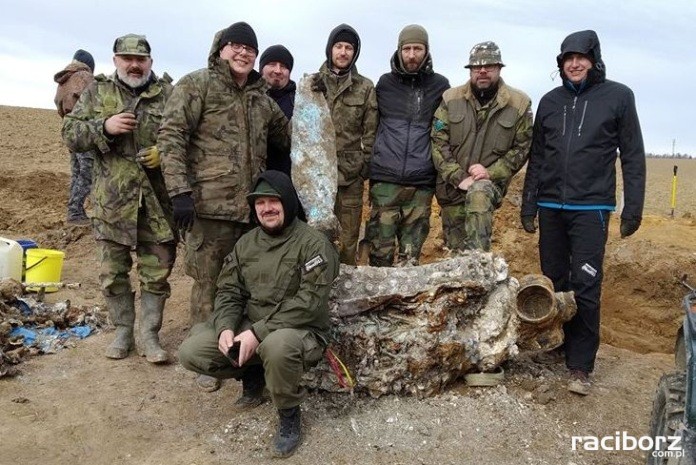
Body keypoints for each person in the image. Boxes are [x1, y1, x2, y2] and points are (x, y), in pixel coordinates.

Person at [158, 22, 290, 391]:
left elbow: (289, 137)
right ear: (221, 49)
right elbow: (171, 136)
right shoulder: (196, 84)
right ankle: (209, 360)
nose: (244, 53)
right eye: (237, 46)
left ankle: (245, 353)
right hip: (209, 209)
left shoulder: (261, 99)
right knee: (209, 285)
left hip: (253, 212)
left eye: (250, 49)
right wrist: (180, 192)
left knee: (250, 286)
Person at [178, 170, 339, 458]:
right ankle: (253, 375)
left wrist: (256, 333)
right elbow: (228, 290)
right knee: (193, 349)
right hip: (254, 326)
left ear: (288, 203)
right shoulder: (247, 243)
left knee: (278, 346)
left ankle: (289, 413)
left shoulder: (314, 243)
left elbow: (309, 303)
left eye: (273, 201)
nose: (267, 209)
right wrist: (226, 327)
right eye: (260, 203)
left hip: (300, 330)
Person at [520, 30, 646, 396]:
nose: (574, 64)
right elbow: (538, 157)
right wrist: (529, 204)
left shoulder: (618, 97)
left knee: (586, 285)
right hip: (550, 208)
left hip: (592, 208)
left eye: (581, 57)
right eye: (567, 58)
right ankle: (556, 347)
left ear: (594, 60)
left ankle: (580, 366)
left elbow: (633, 156)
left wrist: (632, 208)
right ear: (560, 64)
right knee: (554, 281)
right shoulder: (550, 101)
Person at [62, 34, 176, 364]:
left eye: (141, 59)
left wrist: (164, 153)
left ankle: (149, 334)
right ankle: (124, 330)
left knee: (157, 273)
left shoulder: (167, 94)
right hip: (111, 202)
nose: (134, 64)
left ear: (150, 62)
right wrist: (104, 127)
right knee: (113, 273)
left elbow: (187, 138)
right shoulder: (98, 91)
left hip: (155, 203)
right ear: (115, 60)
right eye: (127, 58)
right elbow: (70, 133)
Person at [431, 41, 533, 252]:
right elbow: (438, 142)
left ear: (499, 68)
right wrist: (458, 177)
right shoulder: (450, 99)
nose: (483, 71)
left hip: (489, 186)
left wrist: (490, 173)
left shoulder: (519, 103)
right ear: (471, 71)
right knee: (455, 254)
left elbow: (522, 147)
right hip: (452, 189)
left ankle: (479, 262)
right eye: (477, 67)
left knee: (479, 193)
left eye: (490, 66)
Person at [366, 24, 449, 266]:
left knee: (410, 259)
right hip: (385, 182)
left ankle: (404, 304)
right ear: (399, 50)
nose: (412, 55)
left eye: (418, 48)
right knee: (379, 255)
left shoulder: (440, 86)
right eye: (407, 49)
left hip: (421, 184)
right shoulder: (384, 84)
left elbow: (446, 130)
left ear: (427, 51)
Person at [310, 23, 378, 265]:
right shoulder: (312, 83)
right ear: (330, 50)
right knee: (317, 239)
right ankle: (319, 295)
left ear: (354, 53)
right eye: (338, 46)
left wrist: (363, 166)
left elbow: (371, 131)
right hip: (317, 179)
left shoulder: (365, 87)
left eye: (349, 48)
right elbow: (301, 131)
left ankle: (346, 296)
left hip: (350, 178)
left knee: (348, 240)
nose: (343, 52)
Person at [54, 49, 96, 224]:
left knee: (77, 172)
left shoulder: (64, 79)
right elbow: (96, 101)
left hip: (69, 129)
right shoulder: (84, 77)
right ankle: (75, 212)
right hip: (83, 131)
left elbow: (57, 102)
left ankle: (74, 210)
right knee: (88, 171)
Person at [259, 44, 296, 176]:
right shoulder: (249, 98)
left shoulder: (300, 102)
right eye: (272, 64)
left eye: (284, 66)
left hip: (291, 182)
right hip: (255, 181)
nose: (278, 70)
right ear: (262, 68)